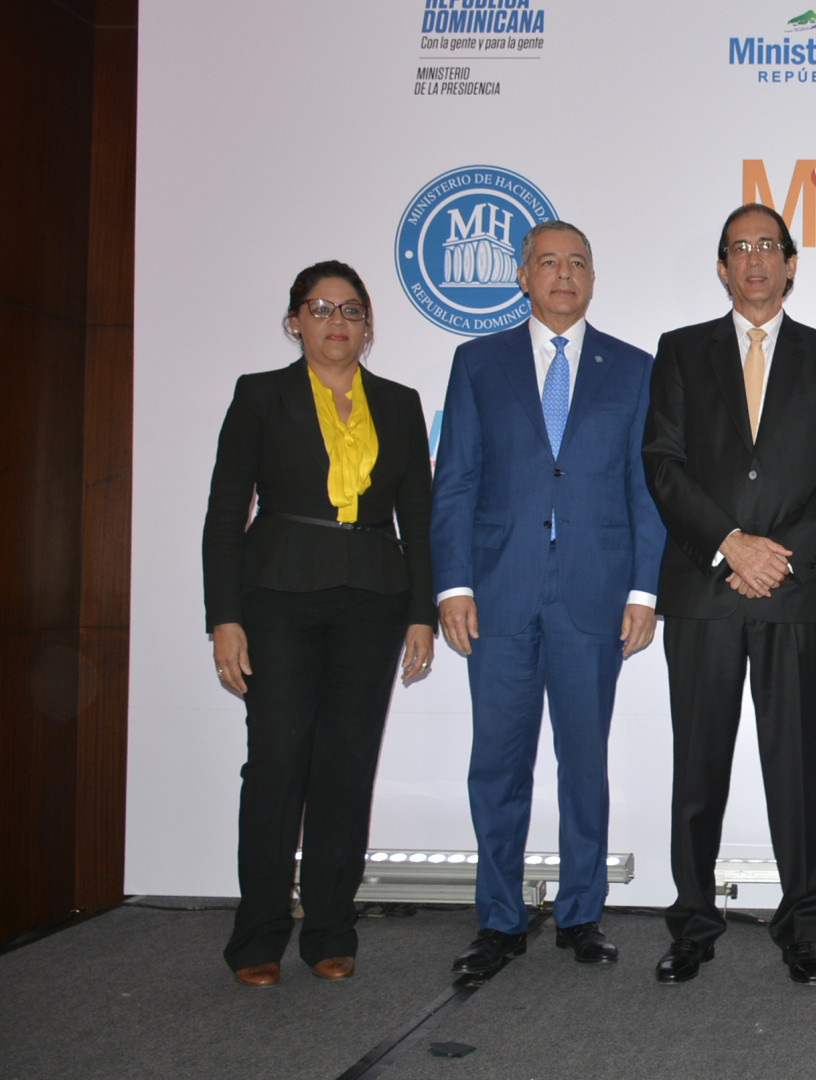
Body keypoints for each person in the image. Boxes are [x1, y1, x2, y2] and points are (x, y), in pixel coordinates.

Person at [432, 220, 668, 975]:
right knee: (498, 766)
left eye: (577, 263)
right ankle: (499, 920)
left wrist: (644, 590)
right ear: (522, 276)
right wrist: (453, 584)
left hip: (595, 594)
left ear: (592, 279)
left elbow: (645, 490)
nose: (564, 275)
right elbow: (456, 479)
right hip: (498, 591)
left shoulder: (632, 368)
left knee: (583, 765)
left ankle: (581, 914)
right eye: (548, 262)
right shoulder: (479, 362)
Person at [643, 204, 816, 986]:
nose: (755, 259)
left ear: (791, 264)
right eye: (740, 247)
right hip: (704, 590)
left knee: (797, 769)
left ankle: (802, 925)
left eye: (769, 245)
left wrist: (779, 557)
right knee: (697, 768)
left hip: (795, 597)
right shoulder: (680, 351)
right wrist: (729, 543)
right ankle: (694, 923)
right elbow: (663, 463)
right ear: (722, 266)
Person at [203, 260, 435, 987]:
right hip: (277, 596)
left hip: (374, 598)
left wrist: (422, 614)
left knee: (345, 765)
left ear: (368, 326)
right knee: (276, 762)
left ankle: (332, 929)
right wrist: (224, 617)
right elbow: (225, 512)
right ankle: (258, 935)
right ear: (295, 321)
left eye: (351, 310)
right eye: (321, 308)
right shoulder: (260, 395)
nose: (337, 321)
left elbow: (419, 520)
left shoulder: (399, 403)